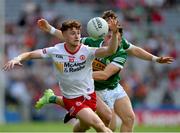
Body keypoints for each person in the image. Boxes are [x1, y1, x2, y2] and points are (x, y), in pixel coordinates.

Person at [35, 10, 174, 132]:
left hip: (113, 87)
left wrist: (156, 59)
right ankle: (62, 104)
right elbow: (69, 37)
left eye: (115, 26)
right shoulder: (92, 42)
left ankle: (61, 103)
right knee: (108, 126)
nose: (112, 30)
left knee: (129, 118)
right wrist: (50, 29)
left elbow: (131, 53)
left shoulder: (120, 47)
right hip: (95, 90)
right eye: (108, 27)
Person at [3, 19, 120, 132]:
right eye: (73, 33)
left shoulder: (87, 51)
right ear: (64, 35)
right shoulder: (56, 51)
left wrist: (114, 33)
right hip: (72, 99)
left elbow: (110, 50)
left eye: (78, 33)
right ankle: (61, 103)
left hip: (90, 95)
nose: (77, 36)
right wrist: (16, 58)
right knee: (98, 125)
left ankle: (52, 98)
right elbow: (30, 54)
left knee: (92, 123)